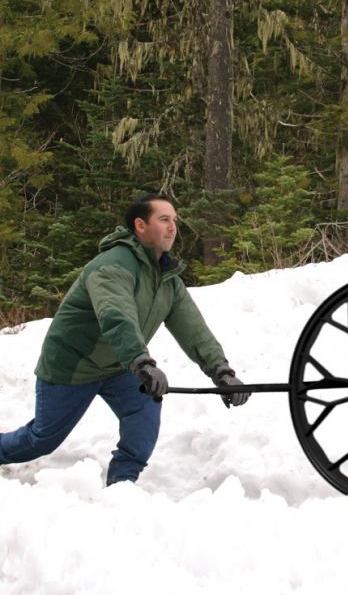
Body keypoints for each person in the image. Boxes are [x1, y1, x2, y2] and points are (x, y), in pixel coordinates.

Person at [0, 192, 250, 485]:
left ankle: (121, 488)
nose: (172, 227)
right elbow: (116, 316)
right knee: (40, 440)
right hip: (74, 367)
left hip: (121, 367)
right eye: (164, 219)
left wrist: (221, 372)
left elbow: (193, 329)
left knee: (143, 419)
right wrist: (142, 363)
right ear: (140, 226)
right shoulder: (112, 266)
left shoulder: (167, 278)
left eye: (175, 221)